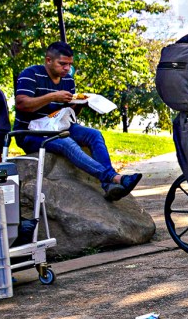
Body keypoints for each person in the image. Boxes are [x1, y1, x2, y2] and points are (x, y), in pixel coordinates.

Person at [14, 42, 139, 201]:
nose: (67, 68)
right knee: (67, 143)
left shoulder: (68, 81)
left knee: (94, 135)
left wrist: (82, 103)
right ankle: (114, 178)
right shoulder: (30, 74)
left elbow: (69, 114)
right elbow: (22, 104)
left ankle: (109, 186)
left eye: (69, 64)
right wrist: (53, 97)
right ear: (48, 61)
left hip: (59, 125)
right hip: (31, 132)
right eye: (62, 64)